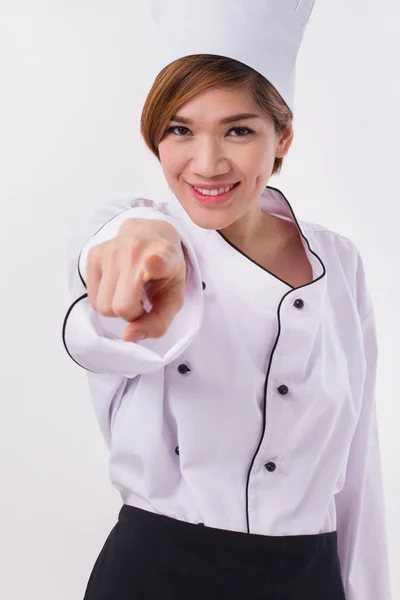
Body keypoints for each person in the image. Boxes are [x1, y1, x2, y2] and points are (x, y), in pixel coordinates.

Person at [63, 1, 391, 599]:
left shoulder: (340, 264)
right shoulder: (139, 236)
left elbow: (359, 468)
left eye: (238, 129)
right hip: (157, 576)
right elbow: (103, 321)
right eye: (180, 130)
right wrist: (133, 246)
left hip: (309, 580)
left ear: (281, 135)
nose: (206, 163)